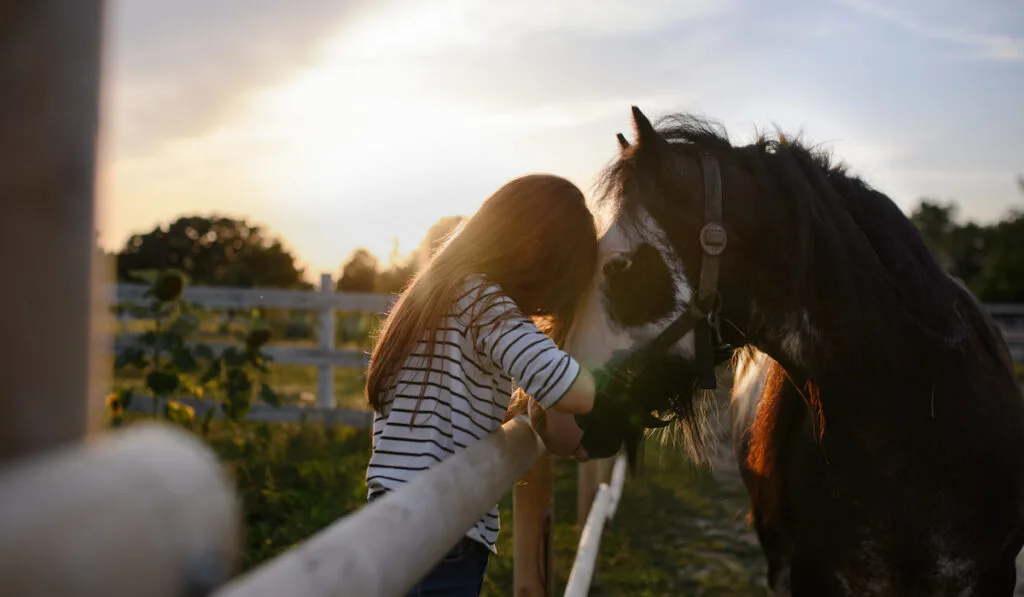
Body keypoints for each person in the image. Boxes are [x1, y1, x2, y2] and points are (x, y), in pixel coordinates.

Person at [364, 173, 600, 596]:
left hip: (387, 518)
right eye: (560, 281)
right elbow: (572, 389)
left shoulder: (432, 296)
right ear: (535, 249)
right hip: (443, 526)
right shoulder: (484, 300)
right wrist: (603, 374)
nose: (547, 304)